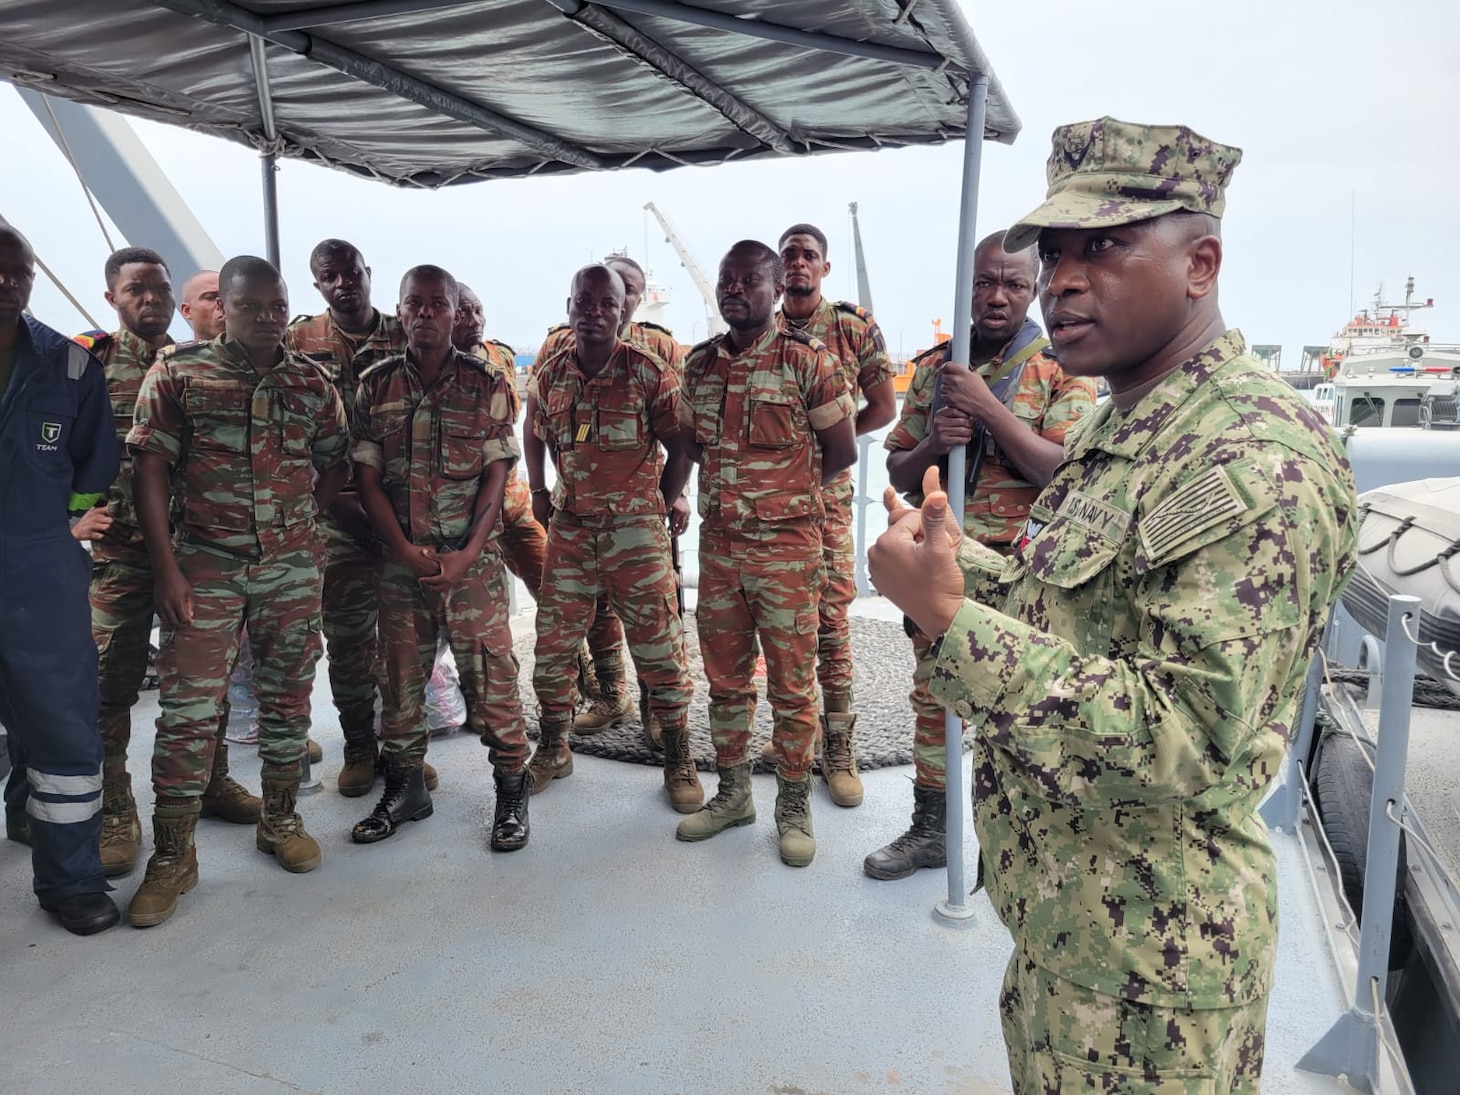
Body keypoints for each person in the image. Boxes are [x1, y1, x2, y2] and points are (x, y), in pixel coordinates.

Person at [866, 118, 1359, 1093]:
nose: (1060, 281)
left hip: (1150, 977)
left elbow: (1179, 732)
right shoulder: (1126, 422)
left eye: (1105, 245)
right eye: (1052, 253)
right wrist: (962, 570)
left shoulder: (1250, 454)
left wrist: (951, 622)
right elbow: (1078, 609)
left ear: (1199, 264)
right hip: (1071, 925)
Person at [863, 230, 1096, 880]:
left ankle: (1025, 840)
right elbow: (904, 470)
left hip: (1025, 574)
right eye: (985, 282)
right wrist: (937, 436)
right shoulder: (938, 366)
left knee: (1025, 706)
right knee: (935, 698)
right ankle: (933, 830)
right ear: (968, 284)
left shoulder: (1063, 369)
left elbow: (1062, 471)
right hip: (946, 566)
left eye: (1014, 284)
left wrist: (989, 410)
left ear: (1034, 288)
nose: (997, 296)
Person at [127, 255, 349, 927]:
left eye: (278, 306)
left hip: (289, 566)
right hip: (206, 564)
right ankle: (173, 855)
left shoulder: (312, 383)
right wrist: (167, 567)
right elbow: (150, 468)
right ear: (223, 306)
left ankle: (280, 818)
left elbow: (334, 462)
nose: (269, 317)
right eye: (252, 306)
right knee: (189, 712)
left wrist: (305, 529)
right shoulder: (180, 373)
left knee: (288, 698)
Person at [77, 250, 264, 881]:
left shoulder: (194, 366)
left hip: (198, 553)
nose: (150, 297)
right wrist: (69, 517)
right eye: (137, 289)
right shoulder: (89, 368)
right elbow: (47, 447)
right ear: (114, 299)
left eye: (159, 287)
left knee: (202, 684)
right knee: (110, 687)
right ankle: (115, 809)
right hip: (123, 556)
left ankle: (211, 784)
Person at [675, 240, 856, 867]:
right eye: (726, 280)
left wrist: (785, 500)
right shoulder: (698, 367)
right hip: (721, 551)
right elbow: (692, 445)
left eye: (748, 280)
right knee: (724, 680)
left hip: (787, 552)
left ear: (776, 289)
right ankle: (732, 795)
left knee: (791, 684)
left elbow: (843, 451)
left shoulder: (809, 362)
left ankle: (793, 803)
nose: (733, 289)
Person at [351, 265, 532, 850]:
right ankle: (406, 789)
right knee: (399, 680)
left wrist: (467, 553)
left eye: (438, 304)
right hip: (400, 565)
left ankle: (510, 789)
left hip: (471, 569)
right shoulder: (374, 384)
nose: (426, 314)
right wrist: (402, 548)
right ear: (399, 311)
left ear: (456, 313)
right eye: (414, 304)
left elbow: (496, 474)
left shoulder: (487, 384)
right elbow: (366, 477)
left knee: (493, 679)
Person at [523, 265, 700, 812]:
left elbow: (684, 446)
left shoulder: (648, 372)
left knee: (661, 652)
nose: (594, 312)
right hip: (572, 533)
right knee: (553, 650)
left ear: (625, 308)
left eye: (607, 303)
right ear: (570, 304)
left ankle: (678, 755)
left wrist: (660, 498)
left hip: (636, 538)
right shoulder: (551, 374)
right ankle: (553, 747)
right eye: (585, 301)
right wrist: (538, 491)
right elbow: (535, 431)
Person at [0, 224, 121, 935]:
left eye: (20, 272)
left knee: (63, 732)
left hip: (38, 572)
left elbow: (92, 465)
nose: (9, 283)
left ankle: (71, 881)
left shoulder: (70, 366)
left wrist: (61, 527)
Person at [284, 238, 423, 795]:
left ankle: (401, 750)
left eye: (351, 272)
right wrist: (342, 507)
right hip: (335, 518)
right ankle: (359, 747)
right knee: (346, 642)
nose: (343, 282)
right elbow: (290, 438)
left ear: (368, 273)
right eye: (329, 275)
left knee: (403, 643)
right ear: (317, 283)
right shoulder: (298, 341)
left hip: (401, 517)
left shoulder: (404, 333)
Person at [773, 223, 896, 807]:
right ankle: (797, 733)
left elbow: (884, 406)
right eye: (789, 255)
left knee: (829, 617)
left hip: (824, 502)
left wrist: (827, 447)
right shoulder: (760, 331)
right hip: (768, 508)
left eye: (809, 256)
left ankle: (839, 744)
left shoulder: (851, 327)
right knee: (777, 621)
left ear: (825, 268)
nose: (798, 263)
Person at [178, 269, 225, 341]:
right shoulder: (177, 352)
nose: (222, 304)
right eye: (210, 297)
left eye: (227, 296)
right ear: (187, 311)